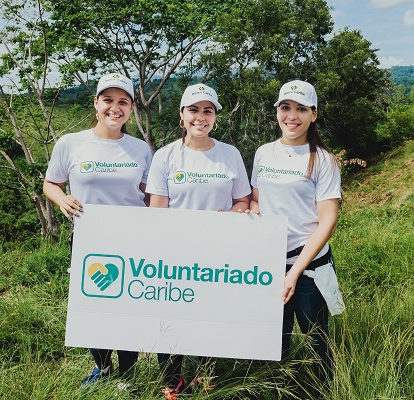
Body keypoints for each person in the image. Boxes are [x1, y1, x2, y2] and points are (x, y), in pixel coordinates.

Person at [43, 73, 152, 386]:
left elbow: (150, 195)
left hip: (134, 240)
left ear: (131, 108)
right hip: (89, 238)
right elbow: (51, 183)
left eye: (122, 102)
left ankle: (129, 374)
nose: (114, 108)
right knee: (93, 306)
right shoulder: (72, 143)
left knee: (129, 307)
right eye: (108, 100)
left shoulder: (140, 149)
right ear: (96, 104)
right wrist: (62, 199)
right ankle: (102, 368)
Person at [145, 83, 251, 398]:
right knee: (172, 318)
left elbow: (243, 201)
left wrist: (230, 217)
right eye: (194, 110)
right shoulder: (165, 156)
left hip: (217, 254)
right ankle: (171, 381)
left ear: (215, 116)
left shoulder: (229, 155)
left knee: (209, 316)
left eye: (208, 110)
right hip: (174, 253)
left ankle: (205, 377)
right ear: (182, 115)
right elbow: (157, 210)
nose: (200, 117)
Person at [248, 80, 343, 395]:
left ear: (313, 114)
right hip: (268, 262)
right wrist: (245, 212)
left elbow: (327, 219)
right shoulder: (264, 153)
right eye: (285, 107)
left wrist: (294, 271)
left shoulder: (322, 160)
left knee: (316, 339)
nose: (292, 116)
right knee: (276, 340)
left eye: (301, 109)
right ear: (277, 110)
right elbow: (257, 201)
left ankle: (321, 392)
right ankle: (277, 390)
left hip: (309, 267)